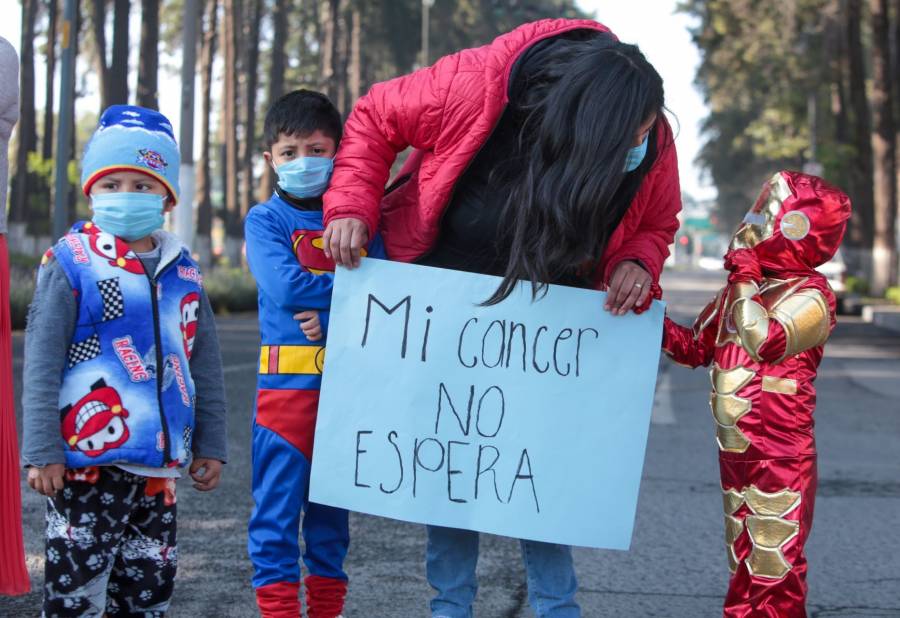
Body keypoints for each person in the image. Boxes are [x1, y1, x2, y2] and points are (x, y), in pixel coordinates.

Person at [321, 18, 682, 618]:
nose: (639, 146)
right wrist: (351, 206)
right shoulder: (472, 84)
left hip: (552, 324)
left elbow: (657, 220)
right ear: (582, 124)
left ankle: (557, 608)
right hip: (449, 308)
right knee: (455, 467)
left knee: (541, 473)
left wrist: (638, 262)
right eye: (627, 138)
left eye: (646, 133)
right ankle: (449, 608)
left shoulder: (647, 132)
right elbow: (374, 117)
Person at [21, 105, 228, 616]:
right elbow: (42, 360)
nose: (125, 195)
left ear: (166, 195)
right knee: (75, 595)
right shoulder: (70, 261)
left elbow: (204, 364)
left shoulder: (185, 271)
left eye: (141, 183)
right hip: (84, 466)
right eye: (111, 183)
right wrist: (40, 448)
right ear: (91, 190)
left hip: (159, 472)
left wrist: (211, 443)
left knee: (148, 594)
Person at [662, 171, 851, 618]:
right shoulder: (743, 288)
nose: (753, 223)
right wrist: (647, 314)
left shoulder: (812, 294)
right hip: (737, 451)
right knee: (743, 561)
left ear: (797, 226)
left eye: (768, 213)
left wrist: (744, 280)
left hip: (781, 453)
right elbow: (694, 348)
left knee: (775, 566)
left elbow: (762, 340)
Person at [244, 89, 386, 618]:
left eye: (317, 149)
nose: (303, 162)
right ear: (270, 159)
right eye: (289, 152)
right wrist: (347, 297)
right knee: (276, 515)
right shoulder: (265, 222)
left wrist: (328, 313)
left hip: (347, 395)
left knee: (331, 521)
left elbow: (385, 288)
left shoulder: (361, 221)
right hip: (285, 398)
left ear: (340, 151)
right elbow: (284, 287)